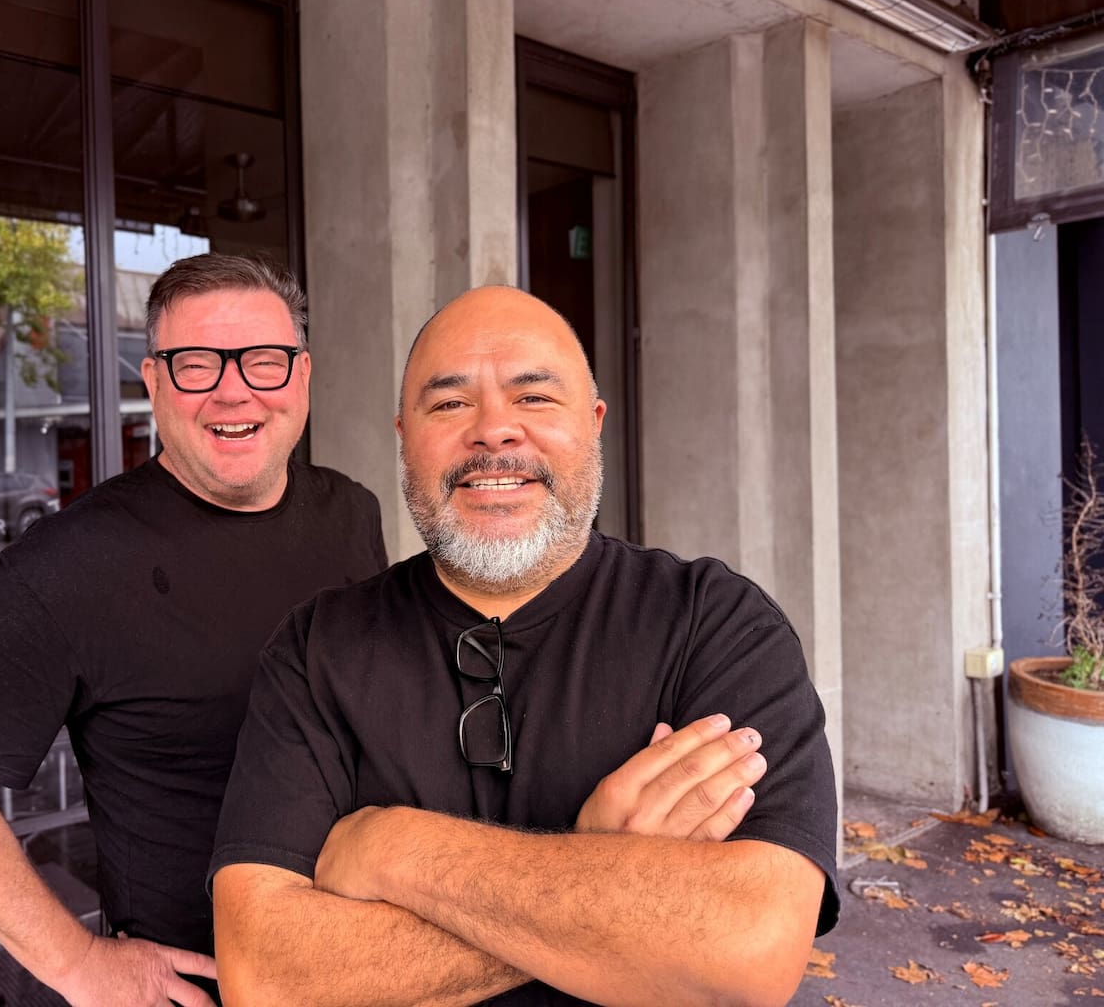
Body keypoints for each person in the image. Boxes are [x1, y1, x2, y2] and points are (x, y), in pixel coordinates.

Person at [209, 286, 839, 1006]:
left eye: (534, 398)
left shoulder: (713, 624)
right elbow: (267, 976)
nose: (494, 432)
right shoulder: (317, 648)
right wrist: (610, 875)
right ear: (404, 435)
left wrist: (394, 849)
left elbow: (750, 946)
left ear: (594, 424)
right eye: (449, 404)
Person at [0, 253, 388, 1007]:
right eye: (196, 365)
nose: (233, 389)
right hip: (209, 988)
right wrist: (77, 963)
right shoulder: (72, 563)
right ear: (153, 382)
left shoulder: (353, 513)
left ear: (302, 376)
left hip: (374, 961)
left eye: (264, 362)